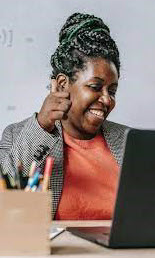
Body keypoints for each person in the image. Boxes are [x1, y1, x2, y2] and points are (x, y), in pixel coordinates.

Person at [0, 13, 129, 220]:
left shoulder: (128, 141)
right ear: (62, 85)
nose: (107, 100)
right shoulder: (18, 135)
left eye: (112, 91)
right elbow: (4, 192)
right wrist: (41, 126)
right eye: (95, 87)